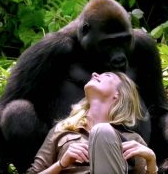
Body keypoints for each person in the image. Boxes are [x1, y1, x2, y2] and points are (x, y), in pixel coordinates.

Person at [27, 72, 158, 174]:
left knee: (103, 131)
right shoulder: (61, 130)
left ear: (118, 93)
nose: (94, 74)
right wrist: (61, 164)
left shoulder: (133, 140)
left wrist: (151, 161)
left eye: (106, 75)